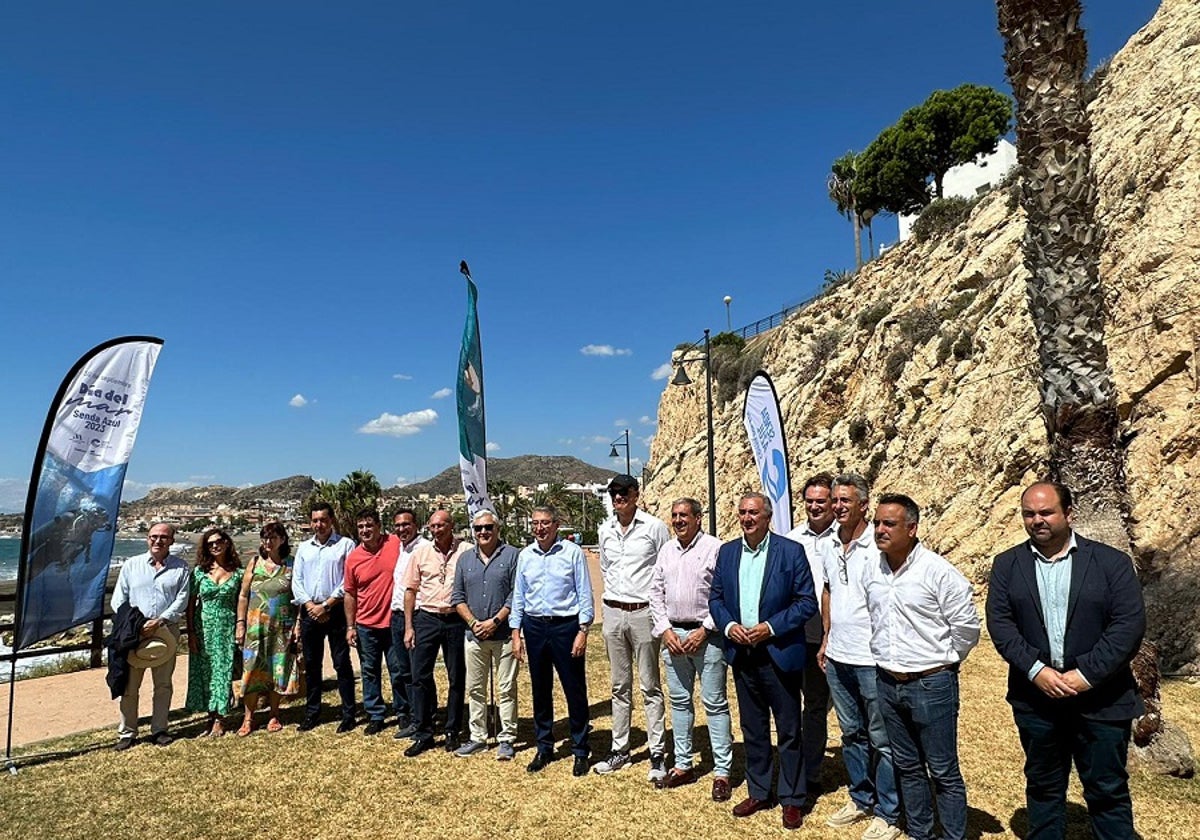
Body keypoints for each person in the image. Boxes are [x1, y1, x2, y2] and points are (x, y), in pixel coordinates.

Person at [986, 482, 1145, 840]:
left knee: (1108, 791)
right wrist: (1036, 670)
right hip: (1037, 701)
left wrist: (1085, 675)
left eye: (1046, 512)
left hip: (1103, 701)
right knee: (1043, 787)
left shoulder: (1111, 563)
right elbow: (1001, 624)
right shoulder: (1008, 564)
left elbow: (1128, 625)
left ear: (1069, 513)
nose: (1037, 520)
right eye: (1029, 514)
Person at [866, 493, 980, 840]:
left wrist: (940, 663)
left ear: (912, 529)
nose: (880, 530)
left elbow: (967, 628)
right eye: (877, 523)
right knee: (908, 767)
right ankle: (920, 832)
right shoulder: (874, 569)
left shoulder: (938, 572)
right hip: (887, 682)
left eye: (889, 523)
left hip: (931, 685)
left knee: (943, 771)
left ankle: (952, 836)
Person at [709, 492, 817, 830]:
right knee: (753, 729)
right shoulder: (727, 553)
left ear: (767, 516)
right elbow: (715, 598)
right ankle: (759, 791)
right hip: (742, 655)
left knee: (788, 730)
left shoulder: (790, 551)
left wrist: (769, 628)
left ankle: (792, 798)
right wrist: (728, 626)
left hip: (779, 655)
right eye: (741, 512)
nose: (746, 518)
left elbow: (806, 602)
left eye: (753, 512)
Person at [819, 474, 901, 839]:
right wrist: (825, 638)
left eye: (845, 501)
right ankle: (861, 797)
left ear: (864, 505)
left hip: (873, 659)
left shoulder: (880, 543)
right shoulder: (830, 544)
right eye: (835, 500)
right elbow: (828, 593)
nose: (837, 507)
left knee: (883, 739)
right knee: (851, 733)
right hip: (838, 656)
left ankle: (889, 811)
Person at [649, 498, 732, 800]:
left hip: (706, 636)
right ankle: (683, 764)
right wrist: (665, 630)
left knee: (715, 703)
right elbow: (655, 593)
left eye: (684, 515)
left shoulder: (715, 548)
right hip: (674, 636)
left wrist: (706, 629)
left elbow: (724, 595)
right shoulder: (666, 551)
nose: (679, 520)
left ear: (699, 518)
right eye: (674, 516)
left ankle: (722, 771)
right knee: (680, 702)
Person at [593, 473, 671, 780]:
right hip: (613, 613)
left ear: (636, 494)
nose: (618, 497)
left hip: (643, 614)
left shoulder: (654, 528)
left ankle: (657, 753)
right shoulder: (605, 530)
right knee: (619, 687)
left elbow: (663, 571)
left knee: (650, 685)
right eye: (613, 492)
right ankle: (620, 750)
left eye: (624, 491)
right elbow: (606, 570)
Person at [511, 505, 594, 776]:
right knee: (540, 689)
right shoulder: (525, 556)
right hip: (534, 627)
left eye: (545, 523)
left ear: (556, 525)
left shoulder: (572, 553)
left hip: (565, 627)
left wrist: (583, 630)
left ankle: (581, 749)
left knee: (574, 689)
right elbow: (519, 597)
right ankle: (544, 746)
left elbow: (584, 593)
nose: (540, 528)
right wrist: (516, 633)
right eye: (535, 523)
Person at [111, 522, 190, 749]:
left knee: (163, 684)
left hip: (166, 631)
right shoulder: (131, 565)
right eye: (153, 536)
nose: (158, 541)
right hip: (135, 633)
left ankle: (160, 729)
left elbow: (181, 599)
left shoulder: (181, 568)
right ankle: (127, 733)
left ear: (172, 541)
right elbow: (119, 600)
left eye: (163, 537)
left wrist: (160, 620)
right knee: (130, 686)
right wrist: (137, 624)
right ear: (147, 539)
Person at [783, 472, 837, 798]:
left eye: (822, 501)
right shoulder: (791, 539)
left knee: (817, 705)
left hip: (828, 631)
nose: (815, 506)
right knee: (790, 702)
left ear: (833, 503)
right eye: (810, 501)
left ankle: (812, 772)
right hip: (794, 631)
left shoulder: (844, 538)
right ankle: (793, 765)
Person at [451, 509, 520, 759]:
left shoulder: (512, 556)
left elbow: (516, 594)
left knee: (506, 688)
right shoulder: (465, 560)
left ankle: (507, 738)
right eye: (478, 528)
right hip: (474, 637)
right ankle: (478, 736)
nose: (483, 532)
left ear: (497, 529)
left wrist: (495, 620)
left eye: (488, 527)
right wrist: (473, 623)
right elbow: (457, 597)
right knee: (475, 689)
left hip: (503, 636)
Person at [403, 509, 473, 756]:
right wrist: (409, 626)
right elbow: (410, 590)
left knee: (457, 676)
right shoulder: (420, 553)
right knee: (420, 676)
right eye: (432, 526)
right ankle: (424, 733)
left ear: (451, 526)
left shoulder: (466, 551)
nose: (436, 530)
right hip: (427, 619)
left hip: (456, 620)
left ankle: (453, 730)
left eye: (441, 525)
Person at [292, 502, 357, 732]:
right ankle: (312, 712)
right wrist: (310, 606)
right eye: (315, 520)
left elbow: (347, 580)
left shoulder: (345, 545)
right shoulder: (304, 548)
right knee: (312, 664)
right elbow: (297, 581)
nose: (319, 524)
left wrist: (327, 605)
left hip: (336, 611)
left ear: (332, 521)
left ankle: (349, 713)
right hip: (310, 612)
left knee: (341, 663)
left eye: (323, 520)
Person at [235, 521, 301, 736]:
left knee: (277, 670)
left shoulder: (291, 564)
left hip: (282, 628)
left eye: (273, 537)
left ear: (282, 539)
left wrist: (298, 624)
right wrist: (241, 624)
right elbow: (243, 595)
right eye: (264, 537)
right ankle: (248, 718)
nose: (268, 541)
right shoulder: (254, 563)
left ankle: (274, 714)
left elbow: (299, 597)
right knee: (252, 671)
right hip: (256, 629)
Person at [344, 508, 404, 736]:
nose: (365, 530)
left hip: (393, 623)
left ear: (379, 526)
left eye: (369, 525)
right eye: (361, 527)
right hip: (366, 625)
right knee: (369, 671)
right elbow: (350, 593)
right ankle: (376, 714)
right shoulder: (353, 558)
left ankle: (403, 712)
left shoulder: (395, 544)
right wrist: (350, 626)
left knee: (397, 670)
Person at [185, 527, 242, 736]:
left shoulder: (238, 573)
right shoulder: (199, 572)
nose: (215, 546)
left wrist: (240, 627)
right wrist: (190, 632)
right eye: (210, 544)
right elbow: (190, 604)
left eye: (218, 541)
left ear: (227, 542)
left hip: (226, 627)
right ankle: (209, 715)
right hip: (203, 629)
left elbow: (241, 602)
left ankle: (220, 718)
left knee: (222, 671)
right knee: (205, 672)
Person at [390, 507, 428, 738]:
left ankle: (423, 718)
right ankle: (415, 717)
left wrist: (411, 623)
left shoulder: (424, 548)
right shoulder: (400, 549)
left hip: (415, 617)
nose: (402, 529)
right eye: (398, 526)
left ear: (416, 525)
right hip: (396, 616)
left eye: (406, 524)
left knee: (418, 673)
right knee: (404, 671)